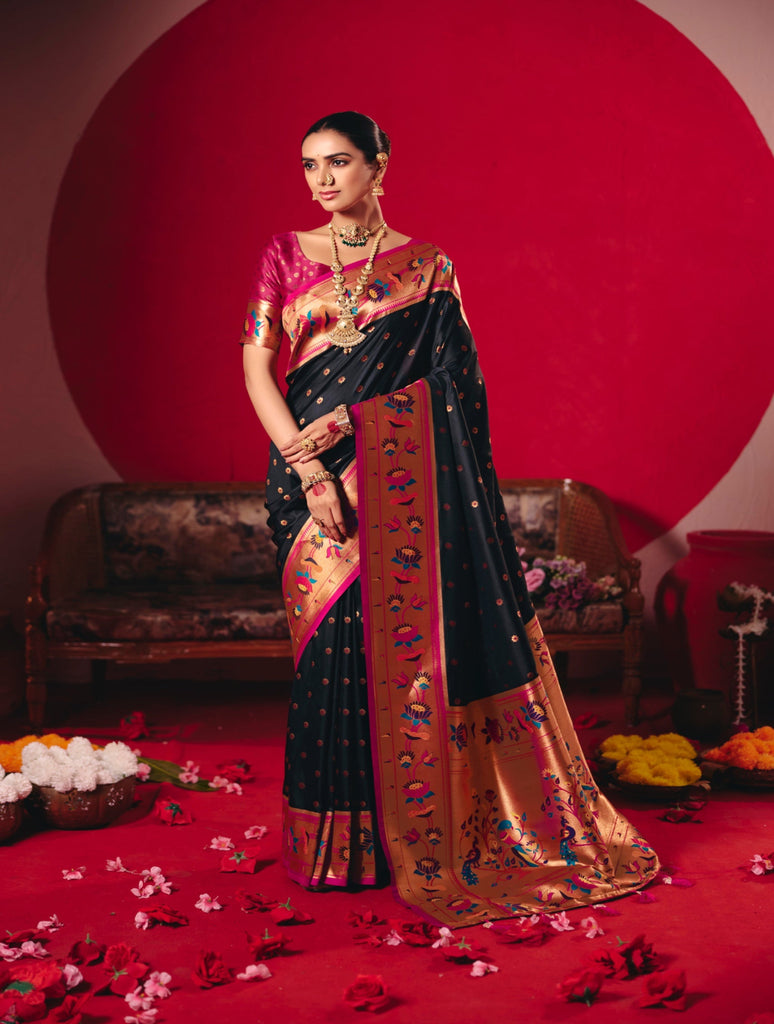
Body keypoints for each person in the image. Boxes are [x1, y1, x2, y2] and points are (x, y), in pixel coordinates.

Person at [241, 111, 659, 927]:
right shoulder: (284, 254)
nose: (322, 179)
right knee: (328, 655)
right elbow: (257, 368)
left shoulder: (429, 268)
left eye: (338, 162)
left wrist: (357, 427)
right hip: (306, 481)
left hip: (390, 480)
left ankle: (400, 839)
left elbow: (454, 388)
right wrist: (308, 467)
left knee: (391, 657)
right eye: (309, 165)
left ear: (379, 164)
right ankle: (330, 845)